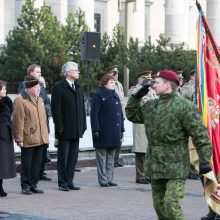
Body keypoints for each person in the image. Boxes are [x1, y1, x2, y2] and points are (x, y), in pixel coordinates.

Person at [125, 70, 212, 220]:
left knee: (171, 204)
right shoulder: (151, 106)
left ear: (168, 85)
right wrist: (136, 96)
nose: (153, 85)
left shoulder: (184, 106)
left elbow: (200, 134)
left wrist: (204, 160)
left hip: (176, 166)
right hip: (156, 165)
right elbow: (132, 115)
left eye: (157, 82)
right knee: (159, 206)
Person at [51, 61, 86, 191]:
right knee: (63, 158)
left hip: (76, 129)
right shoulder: (59, 87)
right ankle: (62, 183)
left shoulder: (78, 87)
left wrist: (83, 126)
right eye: (76, 70)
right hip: (64, 129)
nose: (78, 72)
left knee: (73, 158)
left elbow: (82, 109)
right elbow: (56, 110)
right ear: (68, 72)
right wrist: (59, 127)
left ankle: (70, 181)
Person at [13, 75, 49, 195]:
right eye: (36, 86)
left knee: (37, 164)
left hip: (40, 137)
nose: (39, 88)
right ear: (29, 88)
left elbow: (43, 119)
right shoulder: (20, 99)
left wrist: (46, 135)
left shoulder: (39, 98)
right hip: (28, 137)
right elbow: (18, 121)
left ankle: (34, 185)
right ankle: (25, 185)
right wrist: (19, 139)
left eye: (39, 86)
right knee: (27, 164)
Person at [18, 64, 52, 181]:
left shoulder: (40, 87)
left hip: (42, 129)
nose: (40, 74)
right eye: (38, 72)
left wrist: (46, 109)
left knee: (40, 157)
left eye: (40, 72)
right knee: (28, 160)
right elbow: (20, 115)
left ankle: (36, 179)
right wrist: (19, 138)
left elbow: (47, 102)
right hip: (30, 131)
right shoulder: (24, 88)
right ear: (31, 73)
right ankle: (26, 183)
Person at [90, 74, 124, 187]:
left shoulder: (115, 95)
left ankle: (109, 179)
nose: (113, 84)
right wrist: (95, 129)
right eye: (111, 82)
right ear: (104, 84)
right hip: (103, 132)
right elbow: (94, 114)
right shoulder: (99, 95)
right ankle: (103, 180)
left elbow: (120, 114)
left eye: (114, 82)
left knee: (111, 158)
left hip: (114, 132)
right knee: (102, 158)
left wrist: (122, 129)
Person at [128, 70, 157, 184]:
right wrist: (141, 87)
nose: (148, 82)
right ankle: (140, 176)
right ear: (140, 79)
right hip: (140, 124)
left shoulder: (151, 91)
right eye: (146, 79)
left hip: (150, 124)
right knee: (141, 152)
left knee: (148, 151)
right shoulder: (135, 90)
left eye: (149, 80)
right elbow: (137, 101)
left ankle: (147, 174)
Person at [105, 65, 125, 168]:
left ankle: (116, 159)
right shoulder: (108, 84)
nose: (116, 76)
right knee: (113, 136)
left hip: (121, 113)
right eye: (114, 74)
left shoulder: (119, 85)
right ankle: (111, 159)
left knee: (120, 137)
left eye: (117, 74)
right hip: (113, 114)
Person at [0, 81, 16, 197]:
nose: (5, 90)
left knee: (3, 163)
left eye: (5, 88)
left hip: (6, 135)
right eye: (3, 88)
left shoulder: (7, 102)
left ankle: (0, 186)